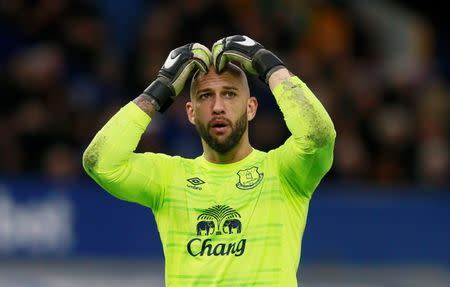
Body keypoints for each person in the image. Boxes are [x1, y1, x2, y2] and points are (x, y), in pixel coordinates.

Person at [83, 35, 336, 287]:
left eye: (229, 94)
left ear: (251, 108)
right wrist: (161, 88)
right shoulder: (169, 178)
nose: (217, 106)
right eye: (205, 96)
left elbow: (319, 136)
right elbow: (100, 162)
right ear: (191, 113)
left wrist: (267, 63)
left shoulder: (283, 172)